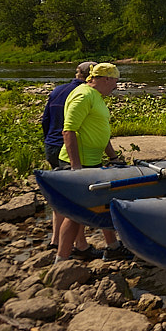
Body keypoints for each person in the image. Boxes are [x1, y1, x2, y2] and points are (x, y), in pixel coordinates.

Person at [56, 63, 133, 263]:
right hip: (80, 165)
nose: (116, 86)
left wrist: (113, 157)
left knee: (104, 205)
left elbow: (99, 130)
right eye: (115, 81)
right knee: (75, 214)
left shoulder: (96, 96)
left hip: (93, 162)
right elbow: (69, 130)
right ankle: (62, 259)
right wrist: (76, 167)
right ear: (105, 79)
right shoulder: (83, 95)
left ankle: (113, 247)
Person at [41, 61, 100, 258]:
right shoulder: (85, 93)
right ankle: (79, 245)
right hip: (70, 148)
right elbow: (74, 128)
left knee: (61, 197)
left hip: (52, 144)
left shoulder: (58, 90)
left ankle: (55, 239)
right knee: (77, 201)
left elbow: (45, 120)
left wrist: (48, 140)